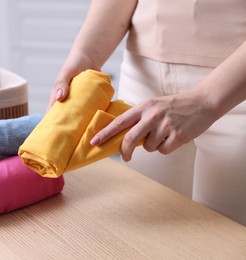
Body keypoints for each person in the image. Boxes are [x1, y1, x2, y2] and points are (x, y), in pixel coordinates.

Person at [47, 0, 246, 226]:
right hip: (143, 80)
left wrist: (206, 100)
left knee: (226, 237)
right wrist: (85, 55)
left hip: (236, 90)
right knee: (149, 225)